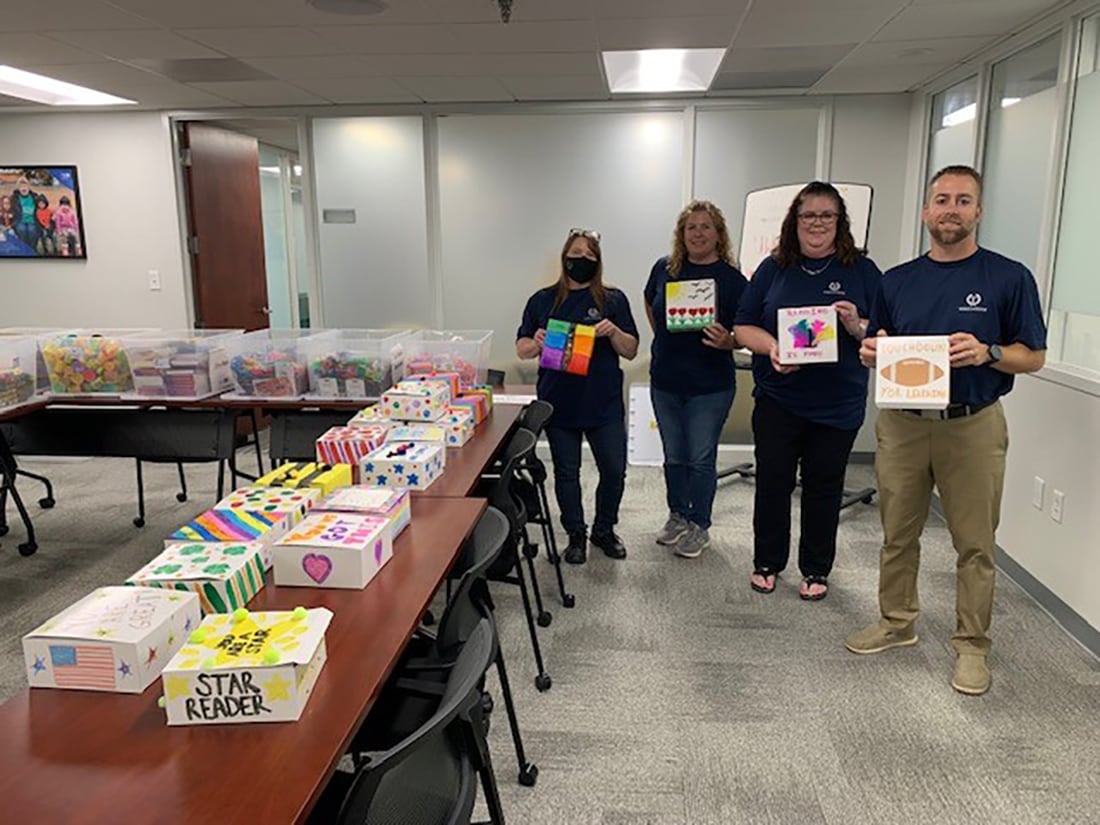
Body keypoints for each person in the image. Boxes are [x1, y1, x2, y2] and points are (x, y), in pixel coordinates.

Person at [845, 165, 1046, 696]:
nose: (950, 210)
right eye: (941, 200)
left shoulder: (1008, 277)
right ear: (926, 212)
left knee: (975, 543)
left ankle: (972, 645)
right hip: (904, 425)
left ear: (978, 212)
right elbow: (880, 342)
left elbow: (1035, 356)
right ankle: (896, 622)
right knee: (897, 533)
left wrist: (991, 352)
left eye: (962, 200)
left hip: (972, 425)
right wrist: (870, 351)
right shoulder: (897, 280)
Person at [734, 182, 882, 600]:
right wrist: (772, 347)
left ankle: (816, 569)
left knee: (824, 486)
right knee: (773, 483)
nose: (817, 223)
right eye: (808, 215)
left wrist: (857, 326)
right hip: (779, 398)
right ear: (794, 222)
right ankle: (767, 561)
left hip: (837, 404)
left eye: (826, 215)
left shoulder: (863, 272)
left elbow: (887, 333)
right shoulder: (773, 267)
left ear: (840, 222)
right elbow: (743, 325)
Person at [516, 229, 639, 564]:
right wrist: (537, 342)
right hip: (559, 404)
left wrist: (613, 331)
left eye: (588, 255)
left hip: (604, 404)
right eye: (575, 253)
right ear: (564, 258)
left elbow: (631, 350)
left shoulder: (613, 300)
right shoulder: (542, 300)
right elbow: (522, 348)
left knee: (614, 470)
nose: (580, 259)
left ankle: (604, 529)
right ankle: (575, 534)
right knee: (567, 473)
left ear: (597, 261)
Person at [644, 200, 747, 559]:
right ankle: (678, 515)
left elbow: (747, 328)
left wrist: (729, 341)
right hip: (666, 379)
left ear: (718, 234)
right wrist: (664, 336)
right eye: (691, 227)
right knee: (674, 455)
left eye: (706, 227)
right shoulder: (665, 268)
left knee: (700, 458)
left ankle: (699, 525)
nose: (698, 233)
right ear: (681, 234)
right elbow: (649, 302)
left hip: (711, 384)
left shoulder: (732, 280)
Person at [9, 177, 42, 252]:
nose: (23, 188)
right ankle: (24, 250)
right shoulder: (14, 197)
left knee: (32, 230)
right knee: (21, 230)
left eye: (25, 186)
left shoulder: (35, 196)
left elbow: (43, 205)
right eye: (21, 186)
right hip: (19, 220)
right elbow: (9, 208)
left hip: (33, 220)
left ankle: (32, 250)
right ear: (18, 188)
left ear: (29, 187)